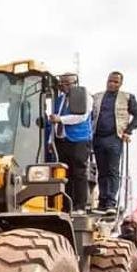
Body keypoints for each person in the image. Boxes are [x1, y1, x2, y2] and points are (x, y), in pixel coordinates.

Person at [91, 72, 137, 214]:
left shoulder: (127, 97)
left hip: (115, 137)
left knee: (112, 170)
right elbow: (91, 115)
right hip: (98, 137)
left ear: (120, 84)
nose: (112, 84)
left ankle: (111, 202)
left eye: (115, 82)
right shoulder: (97, 97)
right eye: (110, 81)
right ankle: (102, 202)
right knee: (101, 171)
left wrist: (128, 131)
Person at [48, 73, 93, 214]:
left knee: (79, 172)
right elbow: (54, 120)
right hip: (62, 140)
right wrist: (51, 140)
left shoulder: (85, 96)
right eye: (62, 83)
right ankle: (67, 205)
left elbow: (81, 116)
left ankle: (80, 206)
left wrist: (61, 119)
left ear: (76, 83)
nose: (64, 86)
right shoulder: (59, 100)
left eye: (67, 83)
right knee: (64, 174)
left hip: (79, 139)